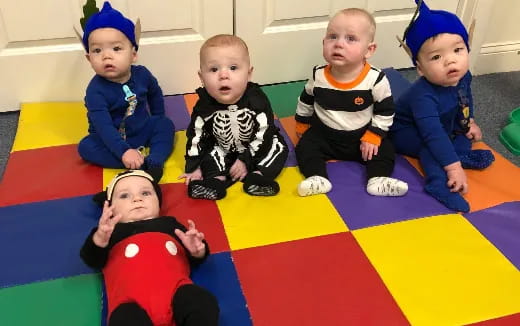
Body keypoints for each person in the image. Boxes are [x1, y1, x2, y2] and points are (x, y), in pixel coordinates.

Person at [390, 0, 494, 212]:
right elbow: (432, 133)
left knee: (461, 133)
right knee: (433, 146)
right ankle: (438, 183)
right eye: (437, 57)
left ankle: (457, 154)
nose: (450, 61)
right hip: (406, 131)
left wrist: (469, 121)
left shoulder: (463, 77)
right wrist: (453, 169)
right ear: (420, 68)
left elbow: (465, 99)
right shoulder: (423, 95)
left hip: (442, 121)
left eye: (457, 50)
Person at [80, 170, 219, 326]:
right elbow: (91, 259)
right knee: (124, 319)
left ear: (158, 201)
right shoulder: (110, 231)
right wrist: (99, 239)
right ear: (111, 208)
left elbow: (194, 255)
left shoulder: (170, 224)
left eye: (146, 193)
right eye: (124, 196)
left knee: (201, 301)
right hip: (130, 304)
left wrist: (197, 251)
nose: (137, 199)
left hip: (177, 292)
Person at [294, 8, 409, 197]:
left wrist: (373, 136)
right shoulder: (318, 74)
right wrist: (301, 122)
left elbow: (385, 111)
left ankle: (378, 179)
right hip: (325, 135)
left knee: (386, 149)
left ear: (369, 50)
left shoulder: (375, 79)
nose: (339, 44)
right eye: (332, 37)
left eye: (350, 39)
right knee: (305, 147)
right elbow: (306, 99)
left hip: (361, 139)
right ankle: (317, 178)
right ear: (323, 42)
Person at [179, 34, 289, 200]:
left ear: (249, 73)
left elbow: (264, 132)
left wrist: (245, 160)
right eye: (214, 69)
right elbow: (196, 136)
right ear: (202, 77)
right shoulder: (204, 106)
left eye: (233, 68)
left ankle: (258, 176)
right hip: (223, 146)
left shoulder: (256, 100)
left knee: (278, 146)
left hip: (257, 146)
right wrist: (193, 166)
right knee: (211, 155)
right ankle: (216, 181)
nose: (223, 75)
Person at [77, 2, 174, 181]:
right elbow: (103, 127)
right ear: (89, 58)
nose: (107, 56)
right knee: (85, 147)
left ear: (133, 54)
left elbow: (155, 92)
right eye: (97, 50)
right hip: (110, 139)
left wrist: (158, 117)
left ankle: (155, 160)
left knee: (166, 125)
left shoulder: (142, 74)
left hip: (142, 128)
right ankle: (136, 164)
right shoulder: (95, 91)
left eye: (116, 49)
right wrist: (123, 152)